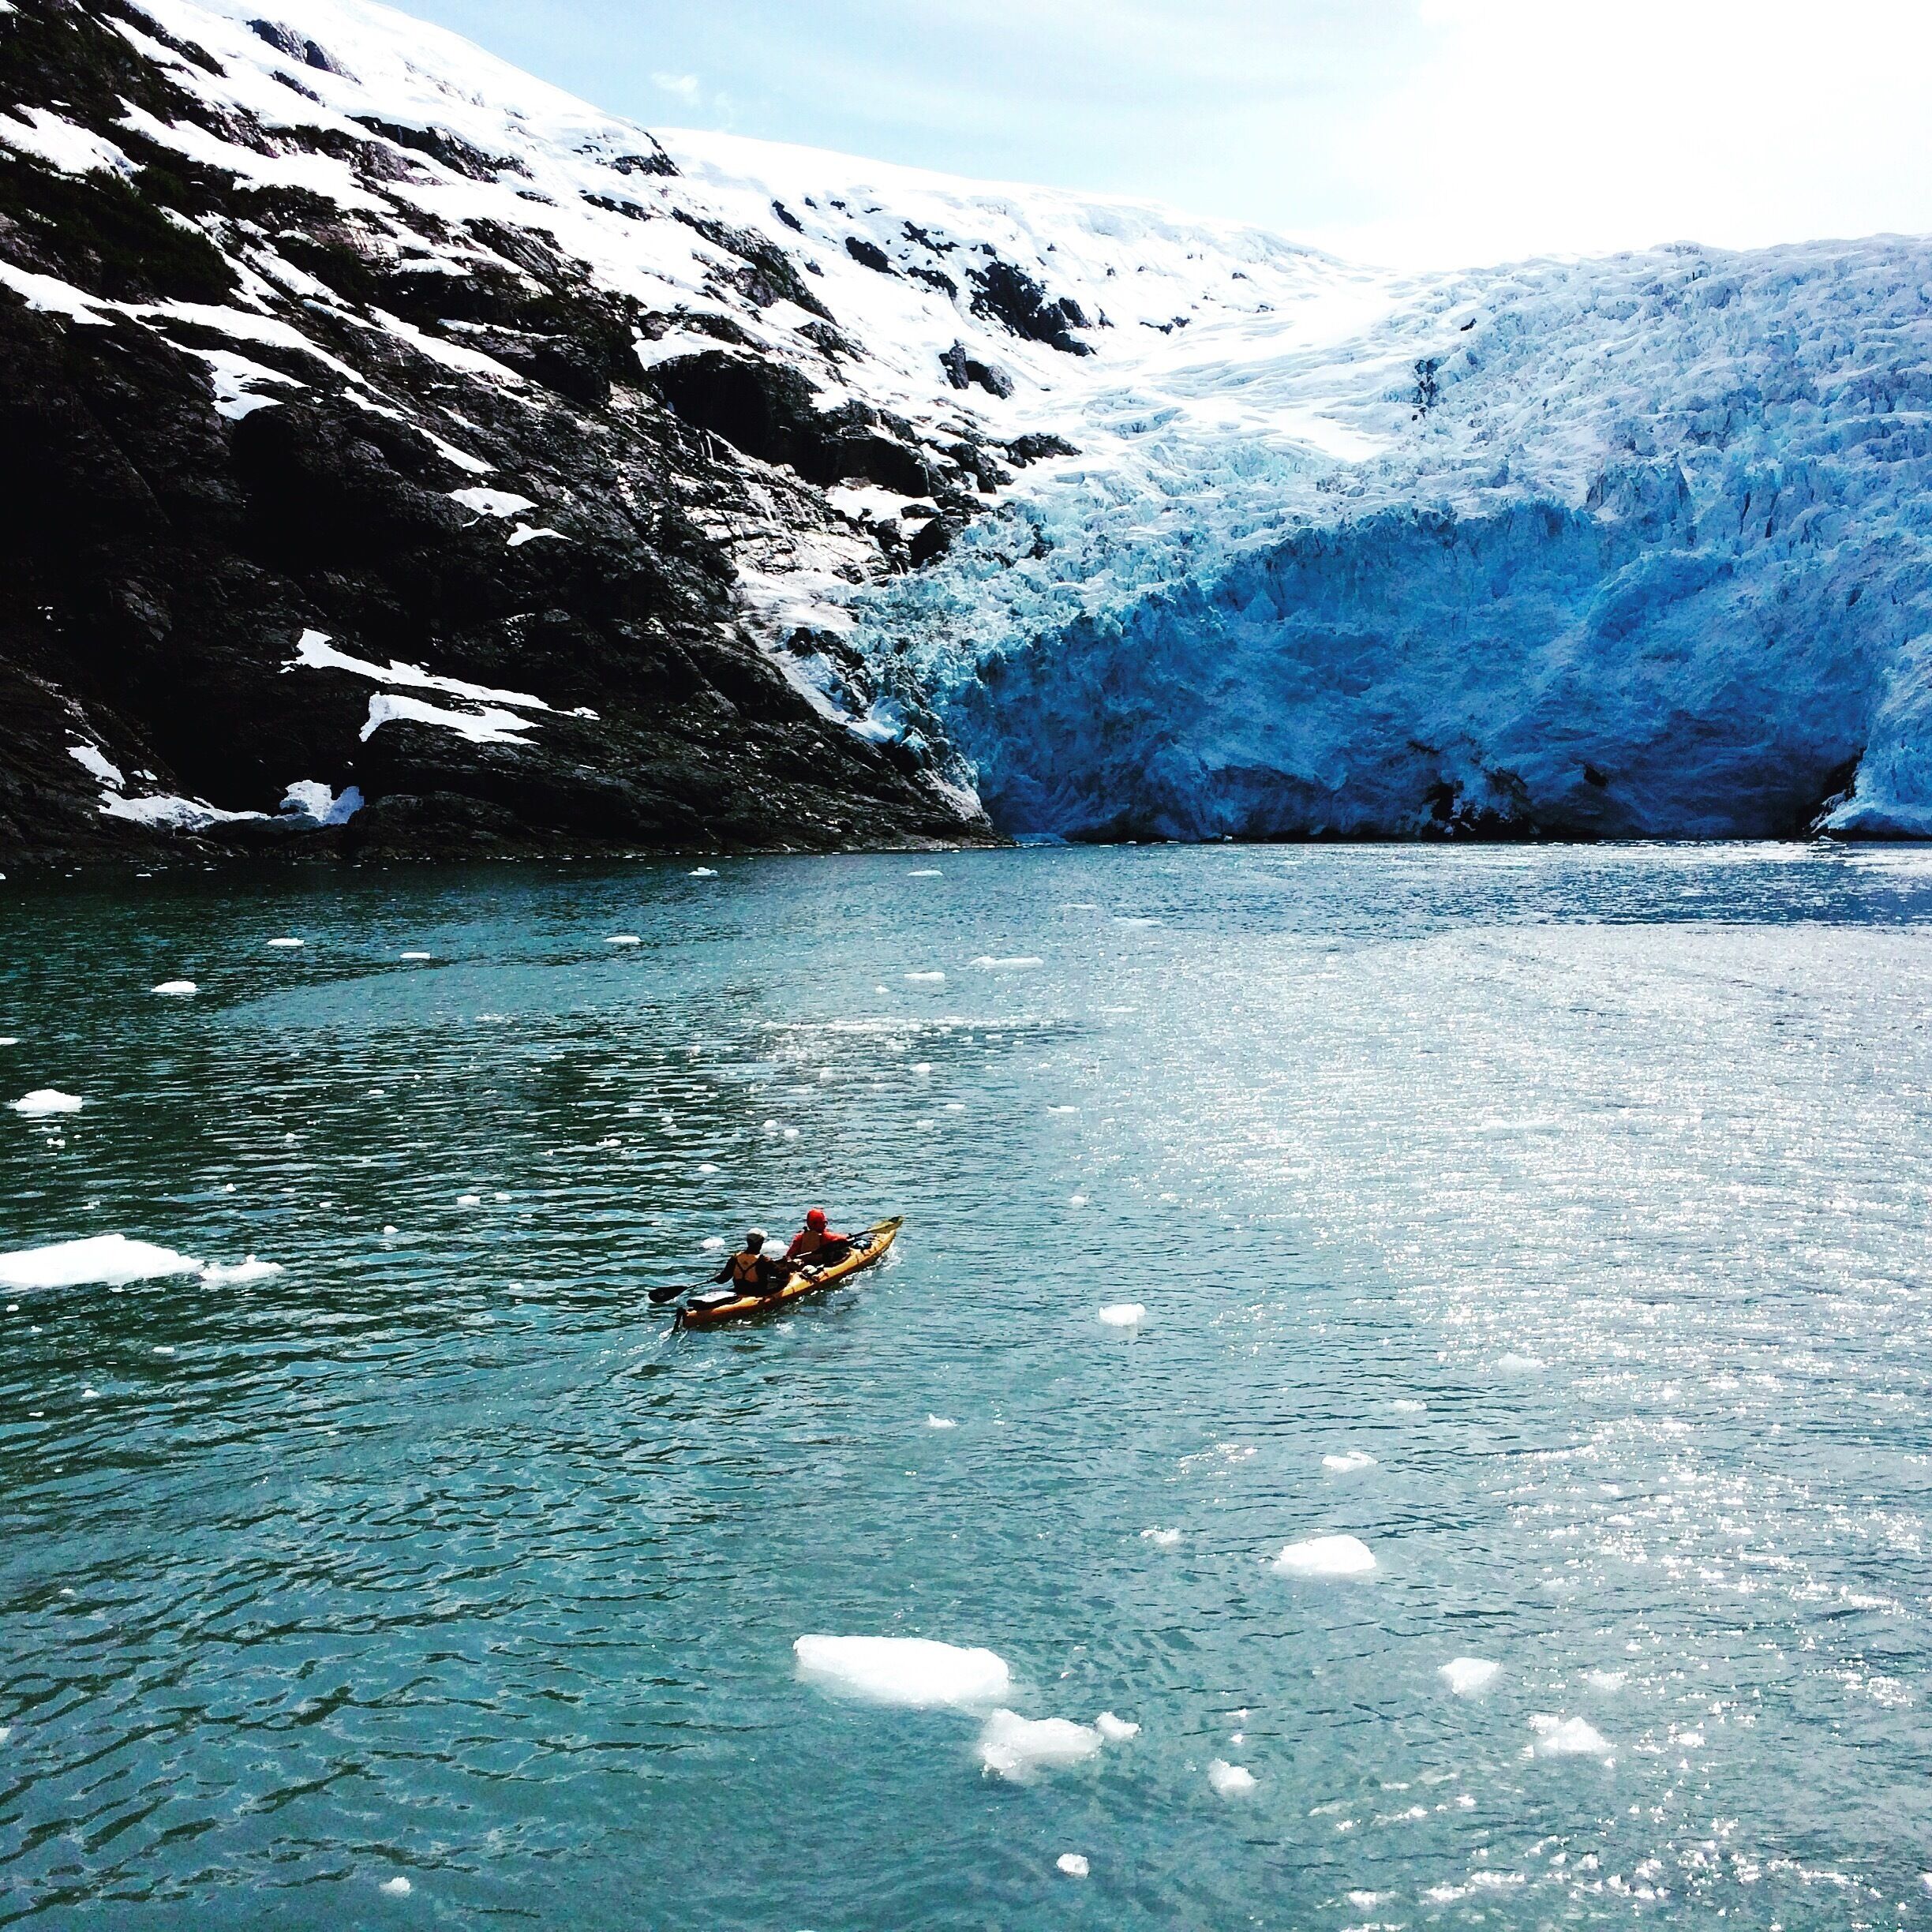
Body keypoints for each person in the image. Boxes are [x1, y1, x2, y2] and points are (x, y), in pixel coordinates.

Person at [713, 1228, 786, 1297]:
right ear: (761, 1242)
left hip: (739, 1290)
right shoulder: (763, 1260)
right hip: (757, 1293)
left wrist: (717, 1277)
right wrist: (787, 1265)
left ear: (748, 1241)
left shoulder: (735, 1258)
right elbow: (782, 1275)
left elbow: (722, 1279)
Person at [785, 1208, 850, 1267]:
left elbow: (790, 1255)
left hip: (805, 1264)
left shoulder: (800, 1238)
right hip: (821, 1265)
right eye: (824, 1223)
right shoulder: (827, 1236)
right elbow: (844, 1239)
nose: (825, 1225)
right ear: (819, 1223)